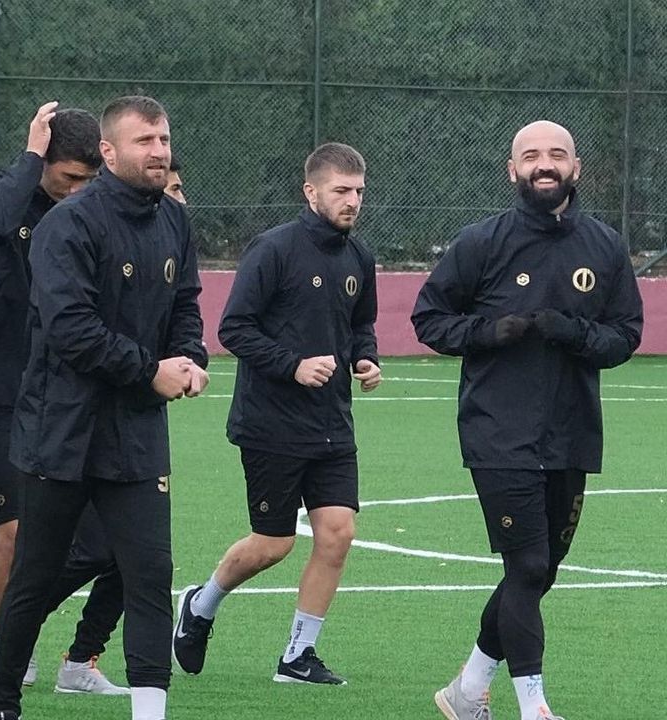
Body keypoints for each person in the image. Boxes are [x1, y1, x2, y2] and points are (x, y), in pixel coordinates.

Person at [0, 95, 208, 720]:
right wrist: (150, 371)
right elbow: (71, 330)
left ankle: (150, 711)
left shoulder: (175, 220)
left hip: (136, 433)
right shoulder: (69, 224)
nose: (159, 151)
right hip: (61, 430)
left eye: (164, 139)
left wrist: (190, 357)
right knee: (36, 574)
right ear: (108, 151)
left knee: (150, 572)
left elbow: (186, 304)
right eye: (144, 141)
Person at [413, 120, 643, 720]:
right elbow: (429, 318)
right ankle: (533, 707)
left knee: (542, 572)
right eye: (532, 155)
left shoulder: (605, 246)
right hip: (498, 432)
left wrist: (573, 332)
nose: (545, 164)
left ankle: (467, 690)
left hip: (572, 434)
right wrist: (488, 332)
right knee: (529, 565)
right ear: (512, 169)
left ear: (575, 168)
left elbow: (626, 336)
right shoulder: (481, 242)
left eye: (557, 155)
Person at [171, 142, 380, 687]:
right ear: (311, 192)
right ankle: (200, 604)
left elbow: (361, 323)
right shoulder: (274, 249)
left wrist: (366, 357)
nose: (352, 201)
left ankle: (298, 655)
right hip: (272, 423)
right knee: (274, 543)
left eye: (359, 191)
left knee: (338, 533)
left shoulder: (359, 257)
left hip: (332, 424)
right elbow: (233, 329)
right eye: (341, 190)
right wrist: (294, 366)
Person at [0, 102, 106, 718]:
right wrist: (33, 155)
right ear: (41, 160)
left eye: (89, 180)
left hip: (60, 397)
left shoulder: (92, 211)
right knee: (14, 535)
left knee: (98, 541)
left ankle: (23, 631)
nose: (79, 191)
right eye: (68, 177)